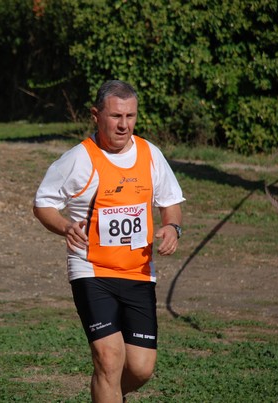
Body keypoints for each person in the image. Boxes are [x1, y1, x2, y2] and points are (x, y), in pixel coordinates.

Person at [33, 80, 185, 402]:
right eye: (116, 116)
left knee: (141, 368)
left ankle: (108, 395)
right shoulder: (79, 159)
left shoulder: (149, 154)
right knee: (109, 359)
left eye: (130, 116)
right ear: (96, 115)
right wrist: (64, 226)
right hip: (92, 269)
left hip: (138, 272)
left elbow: (170, 202)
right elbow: (43, 203)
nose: (124, 124)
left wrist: (172, 228)